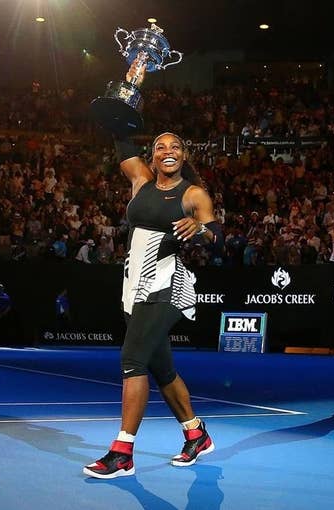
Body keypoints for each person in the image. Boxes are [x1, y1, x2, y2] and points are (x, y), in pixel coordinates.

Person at [83, 62, 224, 480]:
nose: (167, 151)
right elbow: (118, 129)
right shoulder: (140, 180)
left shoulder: (193, 193)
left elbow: (217, 236)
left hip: (168, 282)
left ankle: (123, 451)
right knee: (161, 368)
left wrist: (200, 230)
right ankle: (196, 434)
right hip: (134, 282)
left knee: (132, 360)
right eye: (161, 146)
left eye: (175, 147)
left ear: (183, 156)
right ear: (153, 155)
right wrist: (131, 82)